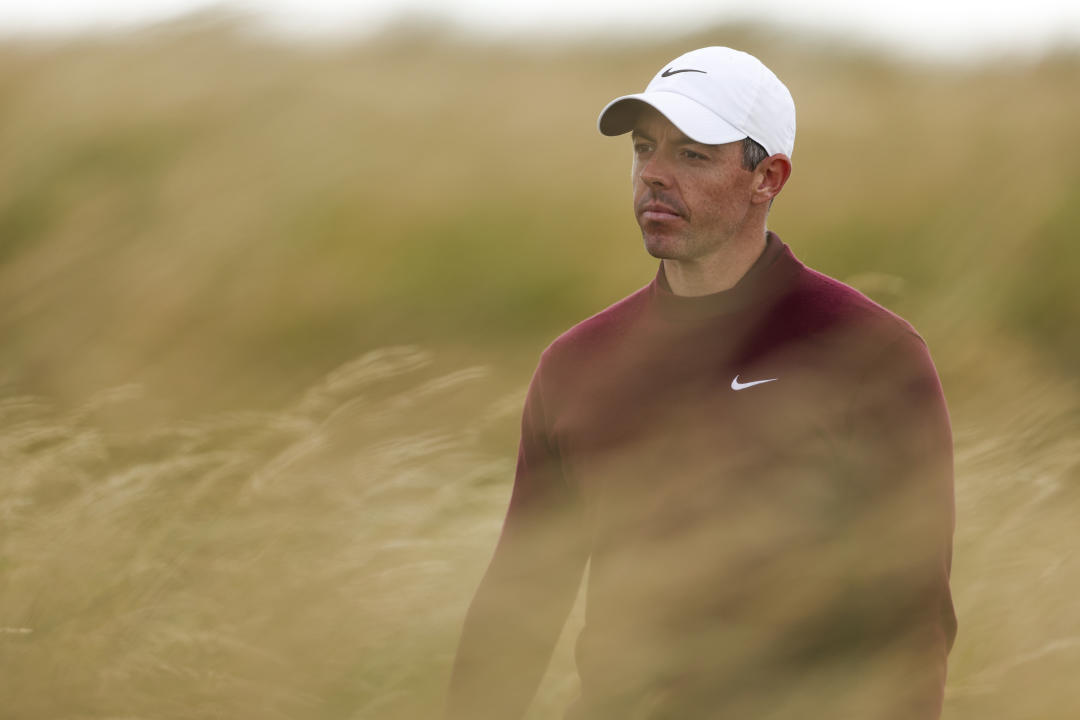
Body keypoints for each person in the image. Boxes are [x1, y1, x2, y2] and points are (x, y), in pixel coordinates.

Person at [446, 46, 956, 720]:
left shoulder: (868, 353)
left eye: (691, 154)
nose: (653, 176)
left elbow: (913, 622)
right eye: (643, 148)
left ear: (767, 178)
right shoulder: (577, 365)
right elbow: (519, 605)